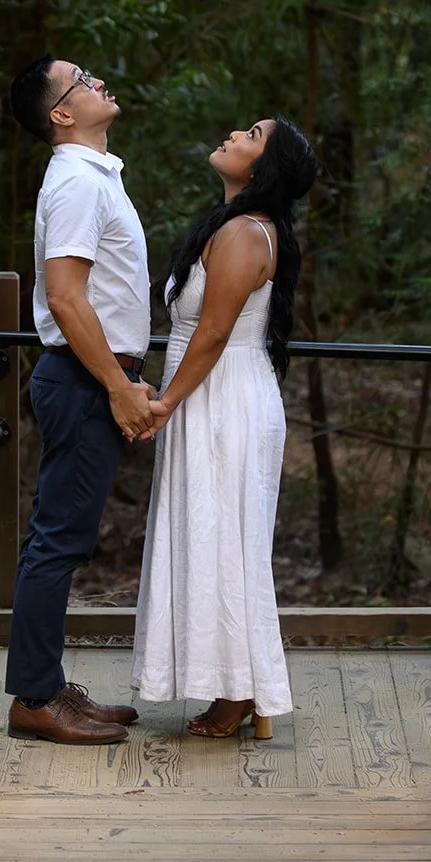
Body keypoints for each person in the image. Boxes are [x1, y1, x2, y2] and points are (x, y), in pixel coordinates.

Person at [130, 114, 318, 737]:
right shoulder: (230, 225)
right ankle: (225, 682)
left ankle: (240, 690)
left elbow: (212, 333)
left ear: (264, 168)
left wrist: (164, 403)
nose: (235, 135)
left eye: (253, 135)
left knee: (225, 537)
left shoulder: (244, 233)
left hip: (221, 396)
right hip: (210, 392)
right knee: (207, 533)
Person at [5, 56, 153, 745]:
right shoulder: (74, 183)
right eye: (82, 80)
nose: (98, 81)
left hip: (94, 374)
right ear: (61, 114)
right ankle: (34, 698)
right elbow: (66, 297)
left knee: (61, 537)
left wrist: (125, 372)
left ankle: (49, 683)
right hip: (82, 378)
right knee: (56, 541)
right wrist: (117, 386)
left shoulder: (93, 177)